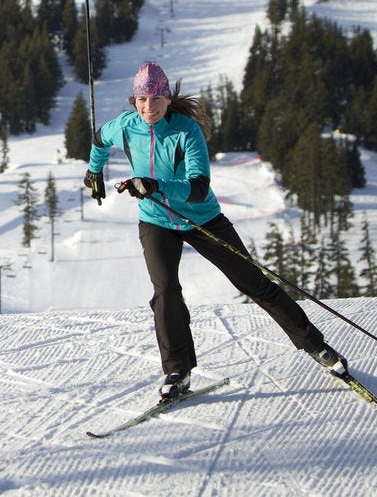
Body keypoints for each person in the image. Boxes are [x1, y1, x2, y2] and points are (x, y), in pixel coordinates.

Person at [83, 61, 347, 399]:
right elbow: (98, 139)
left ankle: (317, 347)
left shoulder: (185, 131)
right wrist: (94, 172)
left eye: (157, 99)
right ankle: (177, 371)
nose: (150, 107)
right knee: (165, 292)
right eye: (143, 100)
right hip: (156, 220)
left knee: (254, 284)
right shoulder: (123, 126)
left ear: (167, 98)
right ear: (134, 101)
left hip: (201, 219)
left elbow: (198, 187)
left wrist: (154, 185)